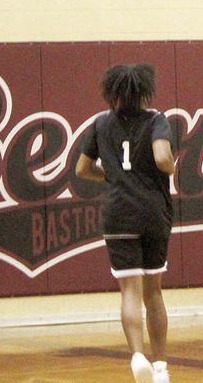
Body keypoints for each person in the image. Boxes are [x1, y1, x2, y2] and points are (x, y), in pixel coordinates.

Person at [76, 63, 175, 383]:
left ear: (113, 92)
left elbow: (82, 169)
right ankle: (160, 367)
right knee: (154, 292)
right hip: (153, 212)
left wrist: (115, 176)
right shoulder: (157, 120)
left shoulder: (100, 123)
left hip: (118, 212)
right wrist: (171, 167)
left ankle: (137, 356)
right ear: (144, 91)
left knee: (129, 292)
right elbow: (162, 158)